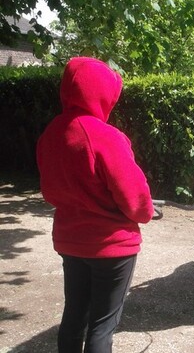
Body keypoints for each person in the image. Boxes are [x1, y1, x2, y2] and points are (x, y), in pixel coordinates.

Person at [36, 56, 154, 353]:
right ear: (102, 93)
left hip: (70, 242)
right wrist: (146, 212)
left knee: (74, 316)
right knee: (102, 327)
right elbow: (136, 201)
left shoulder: (51, 133)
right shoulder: (107, 136)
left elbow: (50, 192)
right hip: (112, 247)